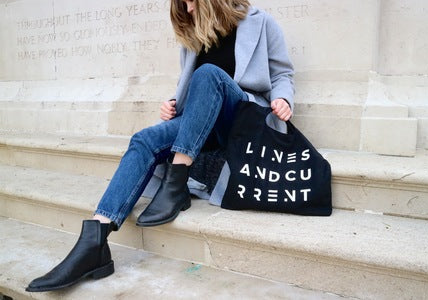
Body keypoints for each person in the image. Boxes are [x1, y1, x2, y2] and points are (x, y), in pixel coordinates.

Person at [26, 0, 294, 292]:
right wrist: (173, 104)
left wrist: (283, 99)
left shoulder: (260, 21)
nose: (188, 10)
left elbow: (282, 74)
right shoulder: (195, 36)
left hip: (241, 118)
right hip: (203, 121)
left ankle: (176, 183)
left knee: (209, 74)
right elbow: (191, 89)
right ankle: (95, 240)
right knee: (144, 139)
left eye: (190, 2)